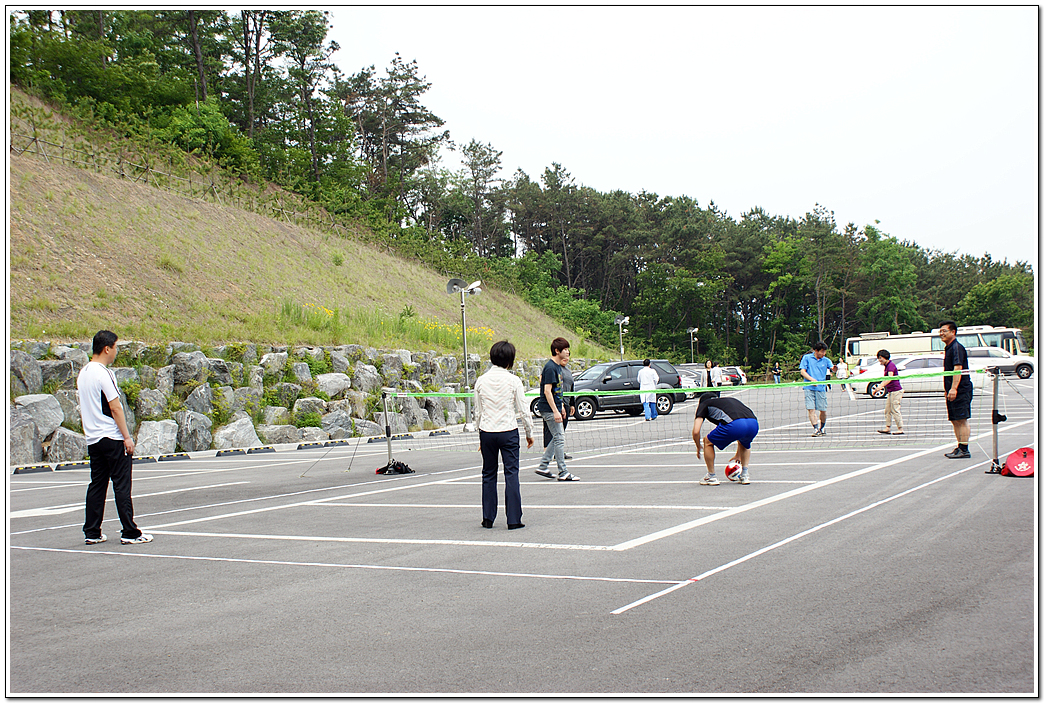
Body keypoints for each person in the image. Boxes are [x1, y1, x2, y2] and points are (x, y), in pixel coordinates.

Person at [78, 330, 153, 546]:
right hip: (111, 435)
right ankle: (129, 532)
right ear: (107, 348)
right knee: (121, 485)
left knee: (97, 485)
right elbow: (115, 407)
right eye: (116, 347)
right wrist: (127, 437)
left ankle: (92, 531)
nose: (116, 352)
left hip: (93, 438)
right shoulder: (104, 373)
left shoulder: (83, 373)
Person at [473, 340, 535, 530]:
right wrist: (529, 432)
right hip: (508, 431)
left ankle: (487, 518)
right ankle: (514, 519)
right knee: (511, 473)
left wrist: (480, 434)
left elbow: (478, 411)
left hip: (487, 431)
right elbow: (524, 409)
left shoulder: (481, 380)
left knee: (488, 474)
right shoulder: (514, 380)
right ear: (510, 360)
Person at [534, 337, 578, 481]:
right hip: (547, 408)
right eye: (565, 349)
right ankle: (563, 472)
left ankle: (543, 466)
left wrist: (562, 408)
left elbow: (557, 391)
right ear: (557, 351)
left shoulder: (559, 367)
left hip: (556, 407)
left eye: (567, 349)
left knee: (556, 436)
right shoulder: (550, 367)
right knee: (559, 437)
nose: (567, 352)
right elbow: (547, 391)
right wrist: (555, 410)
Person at [692, 393, 759, 485]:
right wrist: (738, 454)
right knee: (745, 442)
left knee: (707, 442)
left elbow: (696, 431)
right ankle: (744, 475)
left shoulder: (704, 404)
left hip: (735, 424)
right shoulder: (728, 401)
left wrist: (698, 446)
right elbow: (741, 428)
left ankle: (711, 477)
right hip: (753, 424)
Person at [940, 321, 973, 458]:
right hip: (951, 390)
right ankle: (960, 446)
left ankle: (965, 449)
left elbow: (957, 368)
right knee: (954, 419)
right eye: (940, 332)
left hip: (961, 389)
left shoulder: (957, 348)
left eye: (944, 331)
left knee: (961, 419)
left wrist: (954, 388)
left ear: (953, 332)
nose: (941, 334)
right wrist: (947, 389)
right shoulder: (948, 348)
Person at [799, 341, 836, 437]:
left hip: (821, 388)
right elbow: (803, 371)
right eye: (822, 352)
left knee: (823, 410)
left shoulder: (826, 360)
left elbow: (833, 368)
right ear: (816, 351)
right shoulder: (807, 358)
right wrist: (811, 380)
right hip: (809, 388)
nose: (823, 354)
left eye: (825, 352)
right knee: (811, 409)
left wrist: (835, 369)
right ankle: (816, 428)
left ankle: (822, 428)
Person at [542, 354, 574, 460]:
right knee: (551, 430)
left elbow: (571, 387)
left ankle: (558, 452)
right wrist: (560, 406)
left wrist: (572, 403)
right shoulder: (553, 369)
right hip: (555, 405)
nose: (566, 358)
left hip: (566, 404)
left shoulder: (568, 371)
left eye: (568, 355)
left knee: (560, 431)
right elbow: (551, 389)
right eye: (564, 355)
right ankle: (547, 453)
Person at [875, 350, 904, 435]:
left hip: (896, 391)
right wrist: (879, 387)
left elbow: (890, 378)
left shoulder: (891, 365)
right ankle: (887, 427)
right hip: (891, 391)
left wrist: (880, 387)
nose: (879, 360)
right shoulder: (886, 366)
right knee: (887, 410)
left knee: (895, 410)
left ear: (885, 357)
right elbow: (886, 379)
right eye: (878, 358)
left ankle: (900, 428)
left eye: (880, 358)